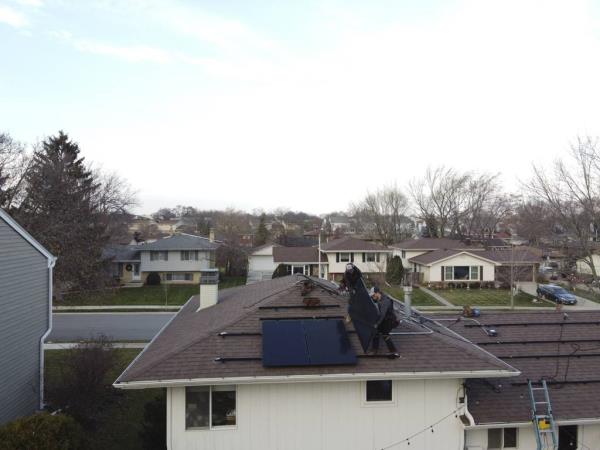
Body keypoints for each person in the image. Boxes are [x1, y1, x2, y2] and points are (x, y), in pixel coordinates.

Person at [370, 286, 399, 354]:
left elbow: (382, 315)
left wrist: (377, 324)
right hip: (385, 320)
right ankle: (374, 350)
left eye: (373, 295)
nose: (373, 297)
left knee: (385, 334)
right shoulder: (379, 299)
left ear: (377, 293)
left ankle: (393, 351)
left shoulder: (385, 301)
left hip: (389, 320)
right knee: (375, 332)